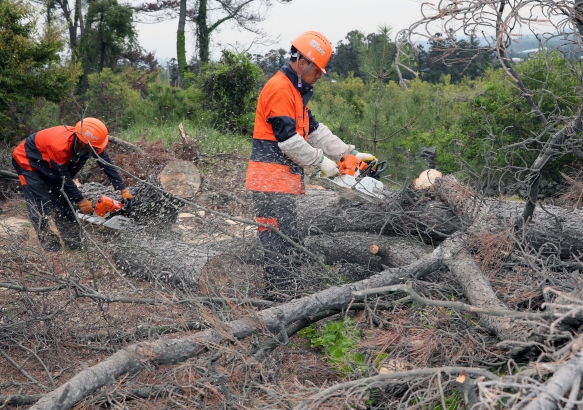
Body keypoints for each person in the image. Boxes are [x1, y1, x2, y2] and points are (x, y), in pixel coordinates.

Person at [245, 31, 376, 298]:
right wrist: (323, 163)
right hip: (270, 182)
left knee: (288, 240)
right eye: (318, 70)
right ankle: (281, 299)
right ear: (303, 63)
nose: (319, 76)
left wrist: (348, 153)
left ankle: (286, 295)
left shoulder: (296, 92)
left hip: (283, 182)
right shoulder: (281, 89)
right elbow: (289, 141)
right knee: (279, 243)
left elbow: (315, 131)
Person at [12, 117, 134, 251]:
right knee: (42, 203)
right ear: (83, 142)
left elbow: (106, 163)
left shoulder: (92, 144)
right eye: (92, 147)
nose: (95, 149)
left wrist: (122, 189)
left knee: (64, 201)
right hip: (27, 161)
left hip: (49, 164)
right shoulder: (59, 145)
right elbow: (63, 177)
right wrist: (81, 200)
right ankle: (51, 248)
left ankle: (74, 245)